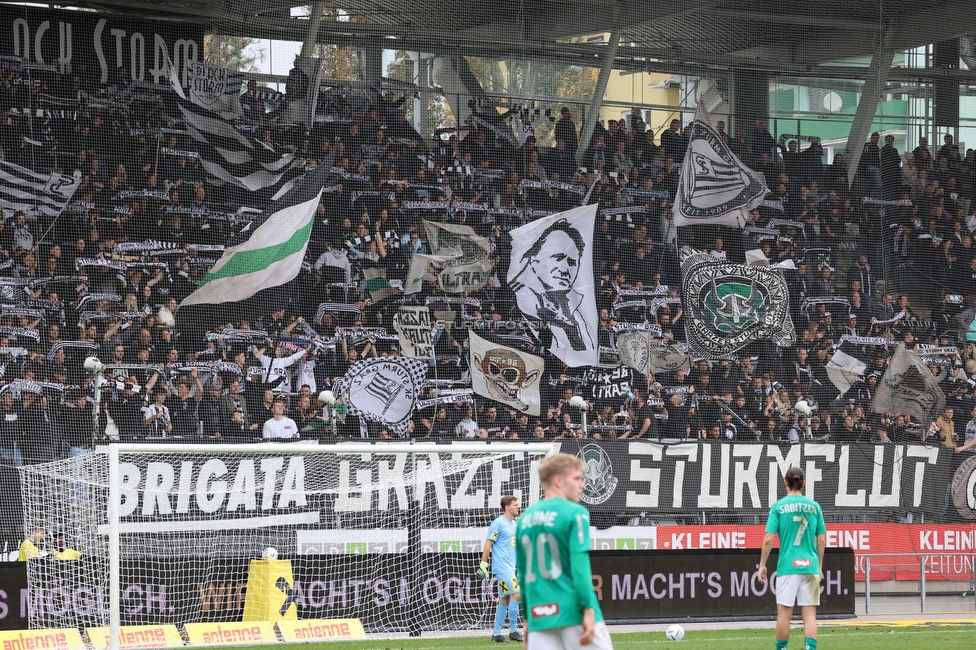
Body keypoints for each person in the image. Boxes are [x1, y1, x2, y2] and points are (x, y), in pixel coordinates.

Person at [516, 453, 613, 650]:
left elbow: (523, 575)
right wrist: (588, 610)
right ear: (559, 480)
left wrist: (527, 621)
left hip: (539, 618)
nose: (583, 485)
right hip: (573, 612)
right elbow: (579, 568)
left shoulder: (524, 519)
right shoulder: (575, 513)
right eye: (577, 478)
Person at [758, 466, 827, 650]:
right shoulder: (815, 507)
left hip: (788, 566)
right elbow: (821, 540)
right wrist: (819, 566)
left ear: (785, 483)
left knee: (784, 615)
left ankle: (782, 648)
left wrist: (762, 565)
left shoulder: (778, 507)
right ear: (803, 483)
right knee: (810, 615)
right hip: (810, 565)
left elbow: (768, 539)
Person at [509, 219, 596, 356]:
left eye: (572, 262)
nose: (565, 269)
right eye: (558, 258)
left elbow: (585, 350)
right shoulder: (518, 295)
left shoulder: (574, 309)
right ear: (535, 260)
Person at [479, 496, 522, 643]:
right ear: (506, 507)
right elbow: (488, 544)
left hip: (510, 567)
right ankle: (514, 631)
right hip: (503, 569)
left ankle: (496, 634)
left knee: (505, 599)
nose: (518, 506)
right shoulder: (498, 523)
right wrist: (483, 564)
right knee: (517, 594)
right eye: (515, 505)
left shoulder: (514, 524)